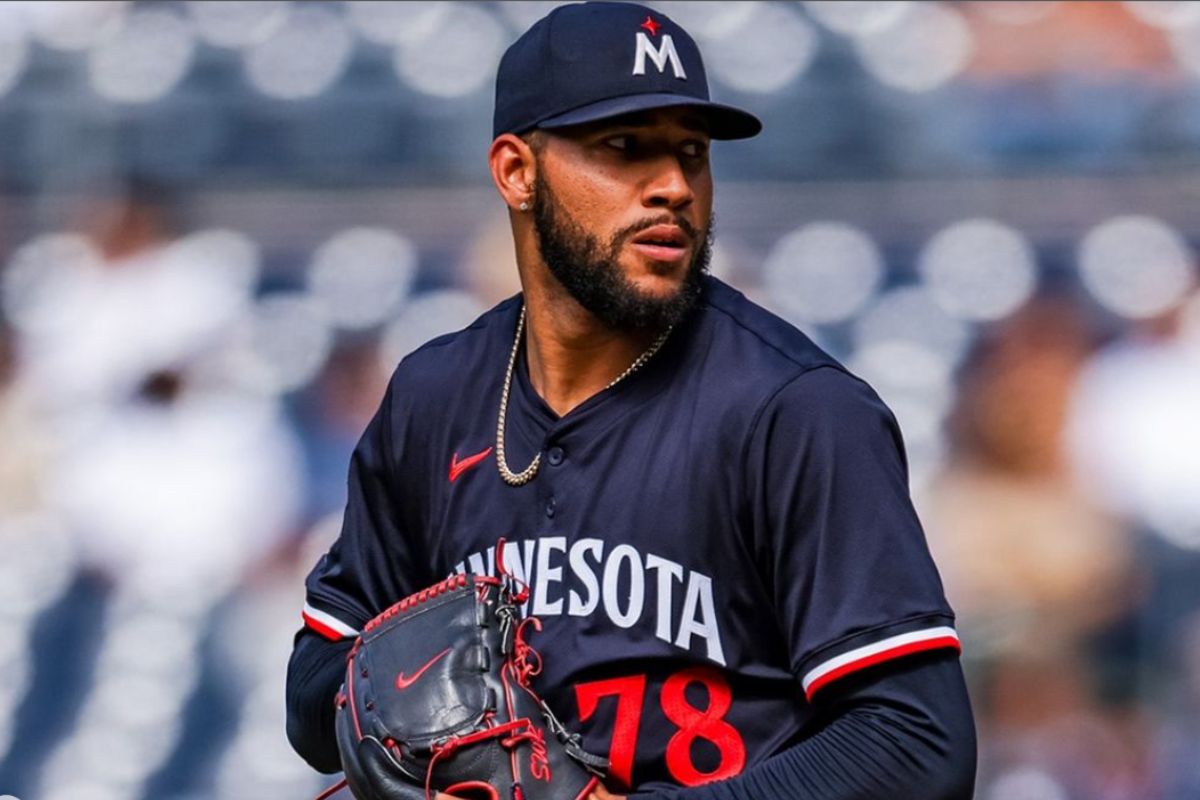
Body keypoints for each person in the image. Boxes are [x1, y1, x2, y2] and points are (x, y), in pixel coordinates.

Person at [286, 3, 976, 798]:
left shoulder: (797, 412)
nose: (674, 186)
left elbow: (918, 745)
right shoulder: (433, 399)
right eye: (626, 148)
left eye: (691, 152)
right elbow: (314, 694)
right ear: (517, 171)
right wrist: (416, 699)